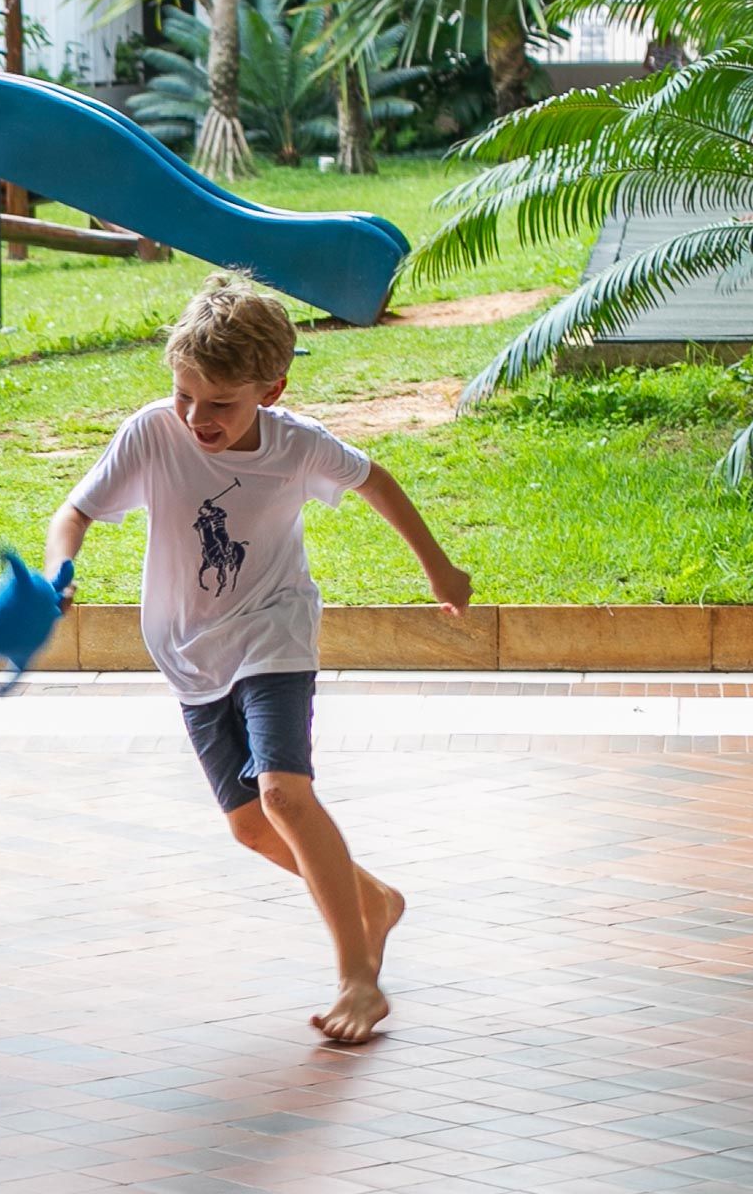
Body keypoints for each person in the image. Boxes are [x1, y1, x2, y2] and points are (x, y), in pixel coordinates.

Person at [43, 274, 472, 1043]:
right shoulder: (152, 434)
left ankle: (358, 980)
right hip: (188, 655)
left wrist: (438, 569)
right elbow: (73, 513)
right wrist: (58, 570)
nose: (196, 418)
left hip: (274, 633)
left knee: (283, 793)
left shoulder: (296, 446)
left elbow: (378, 482)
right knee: (248, 827)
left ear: (271, 388)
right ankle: (374, 900)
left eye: (219, 404)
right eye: (185, 396)